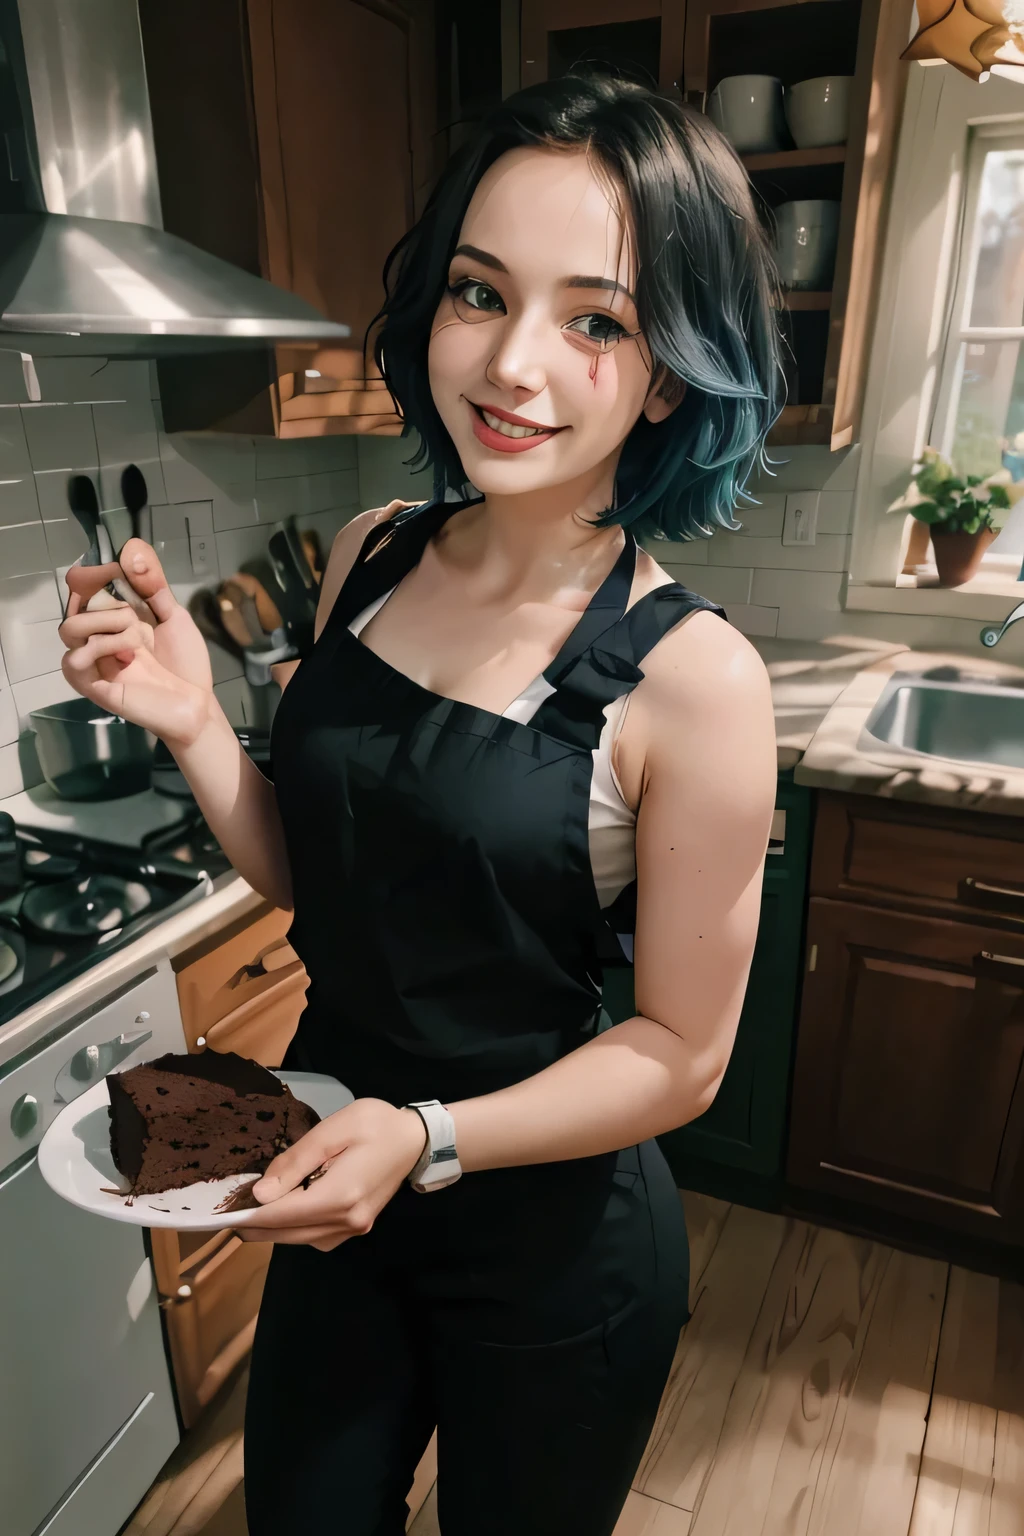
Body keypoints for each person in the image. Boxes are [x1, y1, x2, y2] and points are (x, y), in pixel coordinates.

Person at [59, 73, 781, 1536]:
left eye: (598, 318)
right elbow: (320, 885)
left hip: (551, 1237)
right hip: (329, 1172)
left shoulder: (697, 680)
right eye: (479, 291)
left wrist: (432, 1138)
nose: (515, 364)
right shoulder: (374, 554)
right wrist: (197, 716)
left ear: (670, 370)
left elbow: (683, 1057)